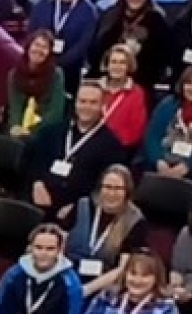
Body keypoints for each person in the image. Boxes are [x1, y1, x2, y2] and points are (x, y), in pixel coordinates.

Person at [29, 83, 125, 221]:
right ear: (75, 103)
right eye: (82, 101)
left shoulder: (112, 145)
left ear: (102, 106)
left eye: (93, 102)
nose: (86, 107)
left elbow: (103, 187)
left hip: (76, 211)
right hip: (38, 201)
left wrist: (78, 206)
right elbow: (34, 162)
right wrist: (37, 183)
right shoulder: (51, 132)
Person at [63, 165, 149, 300]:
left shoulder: (135, 220)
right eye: (107, 187)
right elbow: (59, 242)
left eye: (118, 188)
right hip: (68, 273)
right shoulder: (83, 205)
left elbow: (123, 267)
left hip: (103, 283)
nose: (111, 193)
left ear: (127, 192)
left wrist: (85, 290)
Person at [92, 0, 175, 93]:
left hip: (142, 81)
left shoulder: (156, 19)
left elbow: (164, 54)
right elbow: (98, 49)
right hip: (109, 78)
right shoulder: (111, 16)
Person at [27, 0, 98, 85]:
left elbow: (83, 45)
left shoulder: (89, 11)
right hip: (40, 64)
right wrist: (42, 59)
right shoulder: (43, 4)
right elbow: (32, 34)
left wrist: (57, 64)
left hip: (70, 71)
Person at [3, 29, 66, 141]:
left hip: (43, 130)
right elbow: (15, 106)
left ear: (49, 52)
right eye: (36, 45)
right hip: (18, 128)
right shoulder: (14, 74)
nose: (39, 50)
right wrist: (16, 127)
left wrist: (31, 131)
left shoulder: (57, 75)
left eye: (44, 47)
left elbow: (55, 112)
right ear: (28, 47)